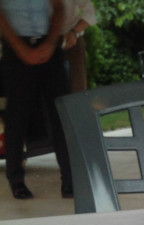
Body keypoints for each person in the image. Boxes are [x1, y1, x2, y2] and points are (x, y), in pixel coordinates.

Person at [0, 0, 73, 199]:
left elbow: (59, 7)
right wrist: (20, 48)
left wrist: (50, 43)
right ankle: (16, 180)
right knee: (17, 116)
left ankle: (70, 179)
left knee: (61, 113)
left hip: (49, 44)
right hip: (16, 47)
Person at [61, 0, 96, 93]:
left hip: (71, 42)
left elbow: (90, 11)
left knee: (76, 90)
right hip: (43, 43)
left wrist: (74, 32)